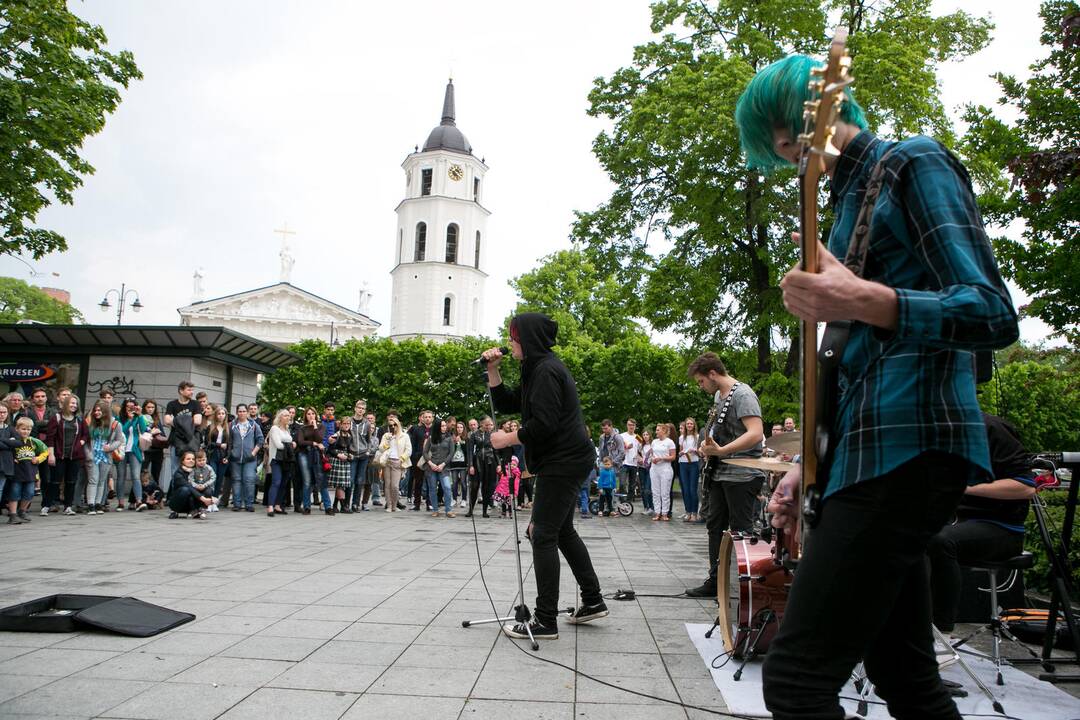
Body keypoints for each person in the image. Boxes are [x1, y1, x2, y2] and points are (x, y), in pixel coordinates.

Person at [735, 53, 1019, 719]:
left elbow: (991, 314)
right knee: (907, 679)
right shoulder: (844, 213)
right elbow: (853, 361)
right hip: (864, 459)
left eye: (785, 135)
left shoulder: (911, 163)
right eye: (777, 146)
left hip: (910, 448)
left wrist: (861, 298)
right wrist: (811, 465)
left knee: (798, 681)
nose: (786, 153)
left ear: (819, 114)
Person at [484, 312, 607, 640]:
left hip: (563, 462)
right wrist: (493, 370)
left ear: (527, 339)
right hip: (565, 460)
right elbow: (510, 401)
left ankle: (545, 619)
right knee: (562, 531)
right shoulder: (535, 368)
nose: (509, 343)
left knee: (541, 533)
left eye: (513, 337)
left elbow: (544, 424)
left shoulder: (547, 371)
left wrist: (506, 439)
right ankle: (593, 601)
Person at [928, 413, 1036, 633]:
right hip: (954, 523)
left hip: (1001, 529)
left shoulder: (991, 429)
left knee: (938, 541)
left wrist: (963, 487)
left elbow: (1025, 487)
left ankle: (940, 635)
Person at [684, 352, 766, 597]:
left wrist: (721, 450)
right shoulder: (720, 397)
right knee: (715, 527)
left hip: (742, 474)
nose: (701, 387)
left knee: (741, 530)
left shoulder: (743, 394)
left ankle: (748, 586)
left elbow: (755, 432)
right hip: (720, 473)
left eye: (701, 381)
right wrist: (707, 447)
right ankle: (715, 580)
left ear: (712, 374)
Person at [45, 394, 87, 516]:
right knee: (55, 481)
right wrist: (51, 454)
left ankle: (68, 506)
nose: (74, 405)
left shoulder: (79, 419)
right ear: (66, 404)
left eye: (76, 403)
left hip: (75, 456)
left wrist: (80, 443)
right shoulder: (57, 418)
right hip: (59, 455)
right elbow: (50, 437)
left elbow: (86, 434)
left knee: (71, 481)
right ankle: (47, 505)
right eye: (72, 403)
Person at [164, 381, 203, 495]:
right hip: (175, 442)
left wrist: (176, 420)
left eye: (192, 390)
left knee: (191, 470)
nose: (191, 392)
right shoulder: (172, 404)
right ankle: (175, 496)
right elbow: (166, 421)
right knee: (175, 470)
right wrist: (188, 420)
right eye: (189, 390)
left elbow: (197, 421)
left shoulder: (195, 404)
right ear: (181, 391)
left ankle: (190, 494)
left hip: (190, 441)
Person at [6, 417, 47, 523]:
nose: (26, 431)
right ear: (17, 429)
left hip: (31, 472)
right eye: (23, 429)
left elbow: (45, 451)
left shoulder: (34, 441)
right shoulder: (13, 441)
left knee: (29, 493)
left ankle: (22, 511)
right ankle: (13, 514)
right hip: (17, 472)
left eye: (28, 429)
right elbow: (6, 451)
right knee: (15, 493)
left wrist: (38, 459)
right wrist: (11, 459)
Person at [86, 400, 123, 515]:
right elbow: (85, 441)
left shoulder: (115, 424)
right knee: (93, 480)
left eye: (99, 410)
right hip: (93, 455)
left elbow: (119, 440)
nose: (96, 412)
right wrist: (88, 455)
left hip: (106, 456)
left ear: (105, 411)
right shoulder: (90, 423)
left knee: (102, 481)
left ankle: (98, 504)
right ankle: (90, 504)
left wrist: (111, 447)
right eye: (95, 410)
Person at [227, 404, 263, 512]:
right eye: (240, 411)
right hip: (235, 458)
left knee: (249, 480)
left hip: (250, 459)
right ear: (237, 412)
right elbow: (229, 441)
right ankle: (237, 504)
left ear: (247, 412)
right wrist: (231, 453)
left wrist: (253, 453)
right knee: (236, 480)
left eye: (243, 411)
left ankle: (249, 504)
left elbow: (260, 440)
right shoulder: (232, 425)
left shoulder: (254, 425)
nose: (242, 413)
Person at [117, 398, 149, 511]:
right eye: (128, 407)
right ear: (124, 407)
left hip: (134, 449)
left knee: (136, 476)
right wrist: (130, 420)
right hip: (121, 449)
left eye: (133, 407)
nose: (130, 409)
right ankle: (120, 502)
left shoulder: (138, 417)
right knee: (121, 477)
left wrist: (140, 416)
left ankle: (139, 501)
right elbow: (122, 432)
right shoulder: (119, 418)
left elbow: (144, 429)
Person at [466, 416, 497, 518]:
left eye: (490, 424)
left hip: (489, 462)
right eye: (487, 425)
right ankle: (471, 510)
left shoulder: (492, 434)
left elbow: (496, 450)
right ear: (482, 424)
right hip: (477, 462)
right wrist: (470, 465)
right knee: (474, 486)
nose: (489, 427)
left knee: (487, 487)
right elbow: (470, 451)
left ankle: (484, 511)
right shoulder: (474, 435)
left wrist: (499, 464)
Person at [265, 409, 295, 516]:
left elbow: (287, 444)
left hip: (287, 460)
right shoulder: (274, 428)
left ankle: (278, 505)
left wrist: (289, 445)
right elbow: (278, 445)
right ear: (280, 417)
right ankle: (270, 506)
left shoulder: (287, 430)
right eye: (286, 415)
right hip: (276, 459)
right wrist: (291, 445)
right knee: (276, 482)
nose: (288, 417)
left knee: (284, 483)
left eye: (289, 416)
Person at [378, 413, 410, 513]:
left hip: (398, 462)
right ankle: (389, 505)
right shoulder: (386, 435)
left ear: (398, 425)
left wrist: (401, 459)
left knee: (395, 486)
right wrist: (387, 442)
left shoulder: (404, 436)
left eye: (394, 425)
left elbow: (409, 450)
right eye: (390, 425)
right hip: (387, 461)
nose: (392, 427)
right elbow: (380, 448)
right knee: (387, 484)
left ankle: (395, 506)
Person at [423, 418, 455, 518]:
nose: (444, 427)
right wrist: (430, 463)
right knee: (432, 488)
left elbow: (451, 453)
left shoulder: (449, 438)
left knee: (447, 487)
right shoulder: (431, 438)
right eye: (442, 426)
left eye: (445, 425)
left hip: (444, 468)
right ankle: (435, 510)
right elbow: (425, 452)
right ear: (437, 427)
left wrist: (443, 464)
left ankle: (448, 510)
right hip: (431, 467)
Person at [167, 450, 211, 519]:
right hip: (178, 503)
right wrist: (203, 499)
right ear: (183, 461)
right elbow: (189, 487)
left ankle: (201, 510)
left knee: (208, 489)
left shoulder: (198, 471)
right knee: (185, 489)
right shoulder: (178, 473)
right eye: (188, 459)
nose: (191, 460)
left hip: (192, 502)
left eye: (193, 459)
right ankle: (174, 511)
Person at [650, 423, 677, 521]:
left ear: (664, 431)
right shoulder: (654, 442)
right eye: (656, 430)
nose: (656, 432)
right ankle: (657, 512)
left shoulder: (670, 442)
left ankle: (665, 513)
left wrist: (661, 458)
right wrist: (653, 458)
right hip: (654, 469)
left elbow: (673, 457)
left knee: (664, 492)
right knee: (655, 492)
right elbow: (652, 454)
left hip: (665, 469)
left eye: (658, 430)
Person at [326, 415, 353, 513]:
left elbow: (349, 449)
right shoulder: (336, 435)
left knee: (342, 484)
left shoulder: (350, 436)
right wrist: (338, 455)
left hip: (345, 461)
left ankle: (335, 505)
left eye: (348, 424)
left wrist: (350, 455)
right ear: (341, 425)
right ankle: (343, 506)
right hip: (337, 461)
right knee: (340, 484)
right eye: (344, 423)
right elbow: (330, 450)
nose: (346, 425)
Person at [407, 410, 433, 510]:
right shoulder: (417, 430)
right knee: (418, 481)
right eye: (426, 417)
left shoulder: (435, 430)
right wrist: (414, 457)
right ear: (422, 418)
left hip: (431, 459)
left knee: (431, 482)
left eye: (429, 417)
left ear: (432, 418)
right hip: (418, 458)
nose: (427, 418)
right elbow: (413, 445)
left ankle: (429, 503)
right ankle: (416, 503)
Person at [679, 417, 701, 522]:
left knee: (693, 489)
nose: (689, 425)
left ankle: (694, 513)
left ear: (694, 425)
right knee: (686, 490)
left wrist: (695, 451)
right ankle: (687, 512)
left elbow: (701, 453)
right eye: (687, 424)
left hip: (694, 463)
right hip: (683, 463)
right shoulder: (681, 438)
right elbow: (679, 452)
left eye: (691, 424)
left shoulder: (697, 437)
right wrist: (682, 453)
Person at [618, 419, 641, 504]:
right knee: (622, 484)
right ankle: (622, 501)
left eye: (633, 425)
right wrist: (626, 447)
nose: (631, 426)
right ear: (627, 425)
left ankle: (628, 502)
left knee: (632, 485)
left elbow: (641, 450)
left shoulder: (638, 437)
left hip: (634, 464)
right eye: (629, 425)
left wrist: (640, 458)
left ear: (635, 426)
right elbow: (617, 448)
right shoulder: (621, 436)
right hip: (624, 463)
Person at [449, 421, 468, 510]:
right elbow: (450, 451)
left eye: (461, 427)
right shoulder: (452, 438)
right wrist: (455, 442)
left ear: (463, 429)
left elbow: (467, 451)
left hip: (463, 463)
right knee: (454, 482)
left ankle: (464, 499)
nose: (459, 429)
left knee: (464, 482)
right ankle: (454, 499)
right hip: (454, 463)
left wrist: (462, 442)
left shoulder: (467, 438)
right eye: (458, 427)